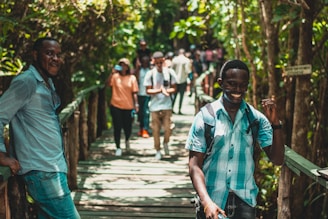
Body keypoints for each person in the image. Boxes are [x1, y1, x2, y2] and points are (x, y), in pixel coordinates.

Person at [185, 59, 284, 219]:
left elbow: (278, 159)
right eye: (231, 84)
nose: (237, 89)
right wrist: (206, 202)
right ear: (221, 83)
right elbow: (194, 166)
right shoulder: (205, 117)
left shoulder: (256, 119)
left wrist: (276, 124)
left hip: (245, 201)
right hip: (212, 199)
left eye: (242, 85)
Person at [0, 37, 81, 218]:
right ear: (35, 55)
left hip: (51, 168)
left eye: (58, 55)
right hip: (43, 171)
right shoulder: (26, 81)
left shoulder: (45, 82)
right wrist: (1, 155)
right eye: (49, 53)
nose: (55, 59)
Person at [144, 51, 177, 160]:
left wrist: (166, 91)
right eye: (157, 62)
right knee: (155, 130)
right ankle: (157, 150)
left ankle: (166, 142)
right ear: (154, 62)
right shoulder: (150, 74)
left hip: (167, 106)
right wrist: (159, 90)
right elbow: (147, 91)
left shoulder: (170, 72)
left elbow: (174, 88)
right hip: (154, 106)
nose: (159, 64)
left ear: (163, 61)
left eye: (160, 62)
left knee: (168, 128)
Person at [107, 58, 139, 156]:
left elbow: (134, 92)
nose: (123, 67)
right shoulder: (115, 76)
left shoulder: (132, 78)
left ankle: (127, 140)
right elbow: (108, 84)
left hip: (128, 106)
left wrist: (136, 104)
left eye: (125, 65)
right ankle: (118, 147)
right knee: (117, 127)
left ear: (128, 67)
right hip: (116, 105)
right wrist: (111, 73)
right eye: (121, 65)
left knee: (127, 127)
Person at [171, 48, 191, 114]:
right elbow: (187, 71)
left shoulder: (175, 59)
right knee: (181, 96)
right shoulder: (187, 60)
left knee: (174, 95)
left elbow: (171, 69)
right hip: (183, 80)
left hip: (175, 80)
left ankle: (172, 108)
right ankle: (179, 109)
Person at [135, 55, 151, 138]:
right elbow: (136, 79)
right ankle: (141, 128)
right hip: (139, 94)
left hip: (148, 94)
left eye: (146, 61)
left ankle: (145, 129)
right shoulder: (139, 71)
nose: (145, 63)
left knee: (146, 112)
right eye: (143, 61)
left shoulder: (150, 70)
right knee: (140, 112)